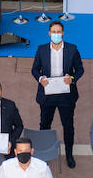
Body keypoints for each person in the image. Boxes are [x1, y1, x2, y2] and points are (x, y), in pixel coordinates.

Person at [31, 20, 84, 169]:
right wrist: (40, 79)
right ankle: (43, 154)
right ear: (49, 33)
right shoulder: (41, 50)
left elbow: (80, 69)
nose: (56, 34)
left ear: (63, 33)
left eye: (58, 32)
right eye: (53, 32)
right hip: (47, 94)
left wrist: (72, 78)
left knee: (68, 126)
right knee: (44, 125)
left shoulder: (72, 49)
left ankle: (69, 155)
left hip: (65, 94)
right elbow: (35, 69)